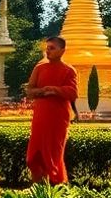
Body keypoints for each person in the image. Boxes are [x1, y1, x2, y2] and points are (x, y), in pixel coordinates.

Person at [25, 36, 79, 185]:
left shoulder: (69, 70)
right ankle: (38, 187)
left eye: (52, 48)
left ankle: (56, 185)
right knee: (33, 157)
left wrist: (55, 90)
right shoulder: (39, 68)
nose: (48, 51)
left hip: (58, 117)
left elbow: (73, 93)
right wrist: (43, 91)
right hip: (41, 116)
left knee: (54, 153)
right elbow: (29, 91)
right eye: (47, 48)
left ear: (62, 51)